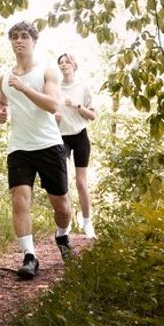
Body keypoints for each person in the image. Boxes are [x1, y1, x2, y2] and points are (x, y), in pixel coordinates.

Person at [0, 21, 74, 278]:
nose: (19, 41)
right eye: (15, 37)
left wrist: (25, 87)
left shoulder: (48, 71)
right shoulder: (4, 78)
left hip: (49, 145)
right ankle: (29, 256)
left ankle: (62, 237)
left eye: (24, 37)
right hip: (19, 147)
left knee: (61, 205)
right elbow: (2, 102)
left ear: (33, 41)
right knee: (20, 200)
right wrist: (1, 112)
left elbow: (52, 105)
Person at [56, 53, 98, 239]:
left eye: (67, 62)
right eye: (61, 63)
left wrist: (77, 105)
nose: (64, 65)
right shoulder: (54, 87)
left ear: (74, 65)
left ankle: (88, 223)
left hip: (80, 136)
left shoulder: (83, 87)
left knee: (81, 182)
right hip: (60, 137)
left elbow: (93, 115)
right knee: (63, 182)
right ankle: (68, 221)